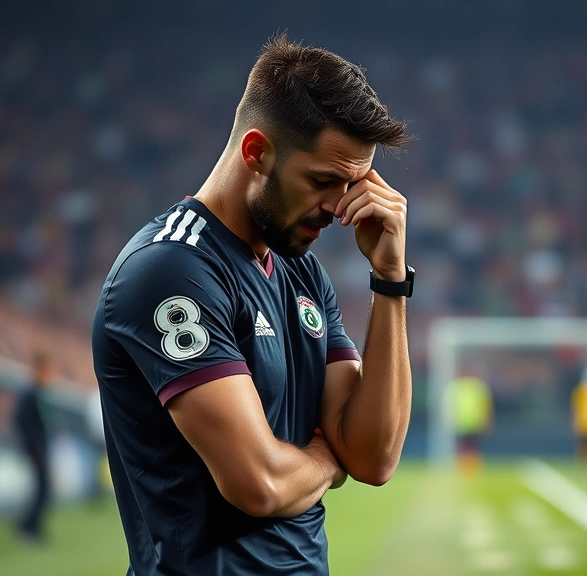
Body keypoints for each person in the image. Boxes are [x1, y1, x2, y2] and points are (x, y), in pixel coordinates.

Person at [92, 34, 413, 575]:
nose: (339, 209)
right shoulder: (171, 271)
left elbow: (374, 457)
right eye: (323, 181)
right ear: (256, 152)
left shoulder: (302, 271)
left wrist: (388, 279)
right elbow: (258, 485)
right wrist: (322, 459)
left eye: (353, 184)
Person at [14, 352, 51, 542]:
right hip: (36, 449)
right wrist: (33, 446)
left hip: (39, 448)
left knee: (42, 489)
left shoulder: (37, 392)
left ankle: (31, 526)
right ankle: (29, 528)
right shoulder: (29, 393)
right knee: (42, 489)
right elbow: (22, 421)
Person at [446, 370, 493, 477]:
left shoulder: (478, 387)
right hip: (460, 423)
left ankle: (471, 469)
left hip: (474, 423)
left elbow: (485, 405)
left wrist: (486, 420)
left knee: (472, 447)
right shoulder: (456, 387)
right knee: (462, 447)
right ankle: (463, 469)